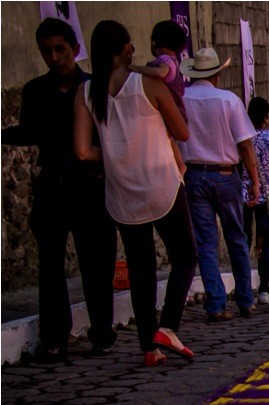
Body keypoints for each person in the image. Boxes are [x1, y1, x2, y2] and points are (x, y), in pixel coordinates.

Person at [74, 20, 196, 367]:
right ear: (125, 49)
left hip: (121, 192)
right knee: (185, 256)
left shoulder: (86, 93)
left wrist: (115, 154)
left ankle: (149, 348)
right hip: (161, 184)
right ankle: (168, 326)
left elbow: (83, 151)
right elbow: (182, 132)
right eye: (130, 45)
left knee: (140, 269)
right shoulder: (147, 84)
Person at [2, 18, 118, 362]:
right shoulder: (35, 90)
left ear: (75, 50)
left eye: (60, 49)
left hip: (91, 186)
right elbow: (29, 132)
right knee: (50, 266)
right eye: (47, 51)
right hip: (53, 185)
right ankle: (54, 338)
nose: (54, 57)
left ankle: (101, 334)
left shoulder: (96, 87)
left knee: (97, 264)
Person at [179, 47, 258, 323]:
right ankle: (246, 301)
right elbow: (245, 145)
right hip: (225, 176)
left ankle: (216, 304)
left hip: (193, 175)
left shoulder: (182, 98)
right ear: (217, 74)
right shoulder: (229, 101)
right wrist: (255, 181)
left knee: (206, 242)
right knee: (236, 238)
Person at [239, 96, 269, 305]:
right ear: (267, 116)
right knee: (265, 243)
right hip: (266, 195)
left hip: (242, 194)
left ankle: (243, 288)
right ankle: (263, 289)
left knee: (243, 241)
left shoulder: (241, 137)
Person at [129, 20, 187, 175]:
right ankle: (180, 165)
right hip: (173, 105)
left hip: (169, 105)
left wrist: (139, 69)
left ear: (155, 43)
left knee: (169, 137)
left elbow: (161, 73)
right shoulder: (174, 58)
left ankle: (180, 165)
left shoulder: (165, 60)